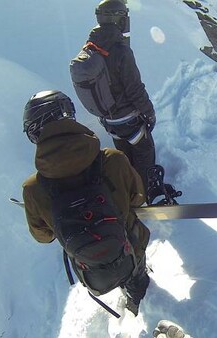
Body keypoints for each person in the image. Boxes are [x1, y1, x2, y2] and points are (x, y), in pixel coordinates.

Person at [21, 90, 150, 315]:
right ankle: (138, 292)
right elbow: (138, 197)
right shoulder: (113, 159)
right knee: (132, 266)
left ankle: (122, 287)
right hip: (129, 246)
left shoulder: (32, 189)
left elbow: (43, 236)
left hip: (90, 267)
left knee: (107, 262)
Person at [82, 0, 178, 204]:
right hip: (128, 119)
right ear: (117, 18)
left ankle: (124, 190)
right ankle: (144, 194)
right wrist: (149, 113)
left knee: (123, 158)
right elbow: (134, 88)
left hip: (109, 120)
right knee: (144, 152)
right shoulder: (120, 50)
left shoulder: (91, 47)